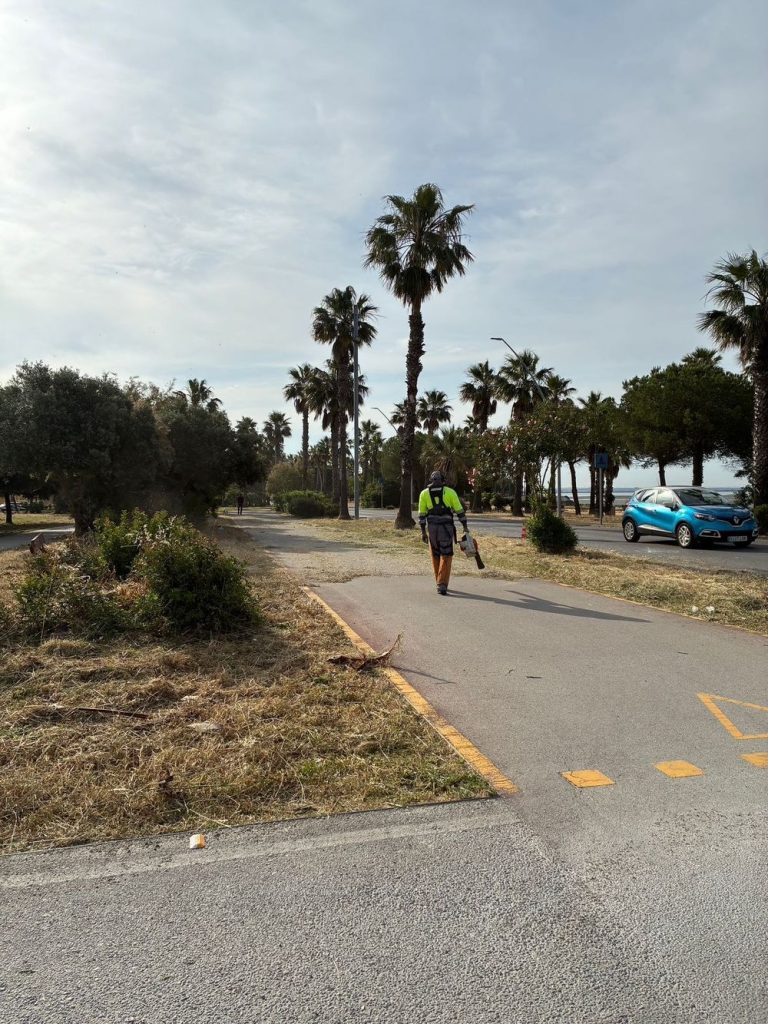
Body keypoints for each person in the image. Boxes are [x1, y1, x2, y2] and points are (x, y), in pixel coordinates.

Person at [418, 469, 468, 595]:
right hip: (446, 528)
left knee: (435, 554)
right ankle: (442, 584)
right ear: (443, 480)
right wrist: (465, 526)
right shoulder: (450, 492)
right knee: (446, 554)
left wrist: (423, 532)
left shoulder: (424, 494)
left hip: (432, 529)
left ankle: (439, 581)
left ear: (431, 480)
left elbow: (421, 515)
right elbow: (460, 512)